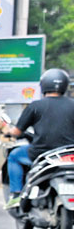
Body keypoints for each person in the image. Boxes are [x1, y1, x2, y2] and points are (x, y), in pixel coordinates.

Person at [4, 68, 74, 207]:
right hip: (69, 154)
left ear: (43, 86)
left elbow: (18, 132)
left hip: (41, 153)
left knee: (13, 156)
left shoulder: (36, 106)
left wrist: (8, 130)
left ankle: (16, 194)